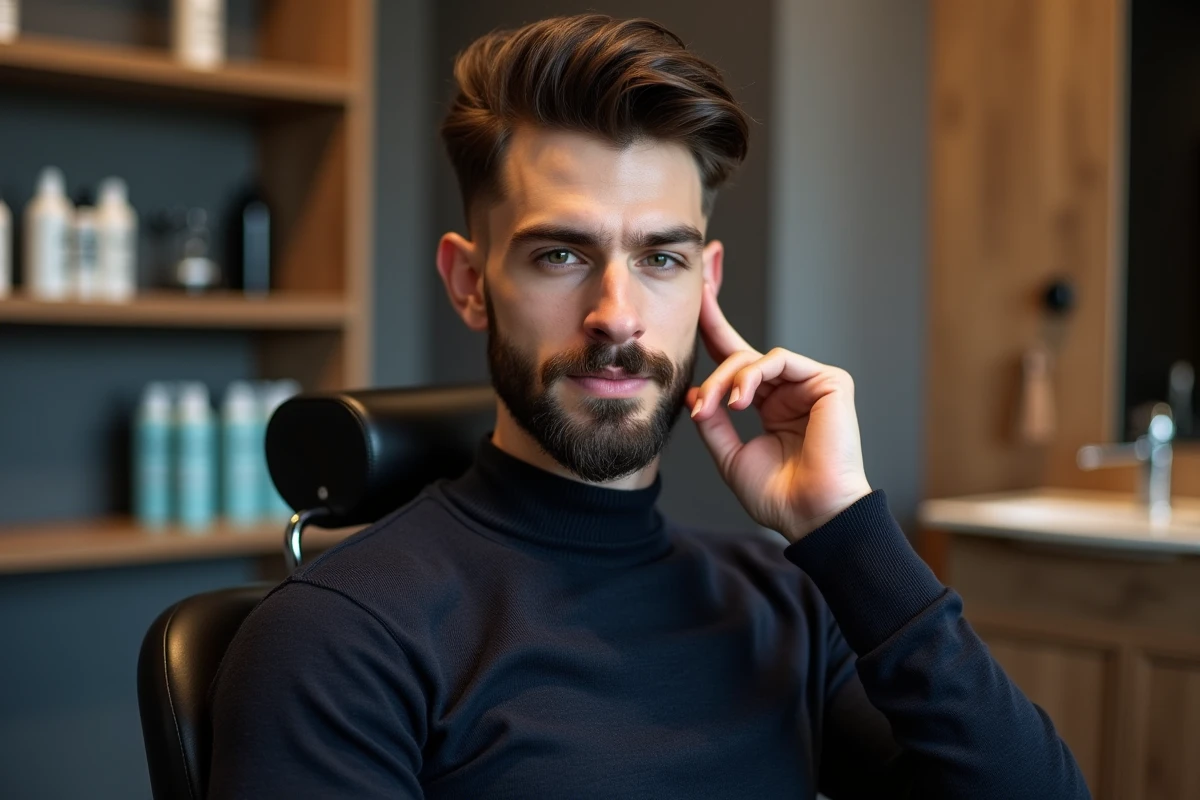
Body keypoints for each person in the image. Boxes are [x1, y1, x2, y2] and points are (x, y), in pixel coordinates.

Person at [209, 14, 1089, 799]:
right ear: (471, 284)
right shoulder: (340, 638)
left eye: (660, 258)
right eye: (560, 255)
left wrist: (849, 533)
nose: (617, 315)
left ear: (706, 281)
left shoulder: (781, 603)